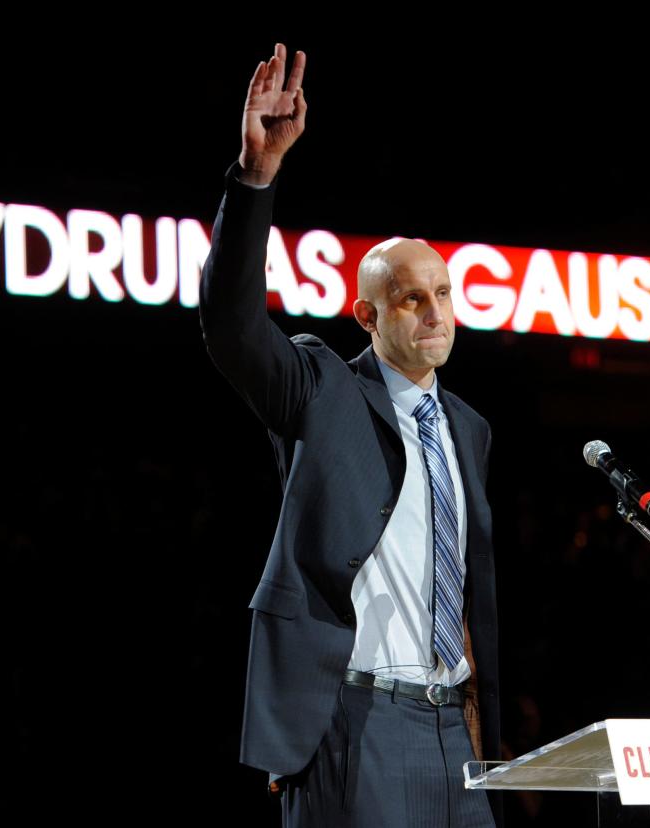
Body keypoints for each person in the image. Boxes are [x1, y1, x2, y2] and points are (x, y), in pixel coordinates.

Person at [199, 43, 501, 827]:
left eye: (444, 294)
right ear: (368, 315)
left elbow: (455, 579)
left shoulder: (468, 428)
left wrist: (480, 728)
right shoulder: (321, 389)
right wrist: (255, 176)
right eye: (410, 300)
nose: (435, 314)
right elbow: (232, 329)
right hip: (357, 727)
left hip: (453, 737)